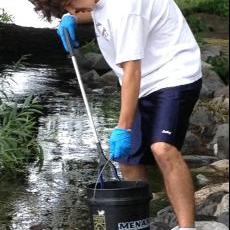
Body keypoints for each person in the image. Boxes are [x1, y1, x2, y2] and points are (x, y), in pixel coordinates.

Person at [30, 0, 202, 229]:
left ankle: (186, 226)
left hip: (173, 73)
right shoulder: (98, 2)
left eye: (71, 6)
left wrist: (123, 128)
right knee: (128, 158)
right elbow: (97, 12)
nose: (74, 12)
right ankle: (138, 224)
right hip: (139, 80)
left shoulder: (125, 7)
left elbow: (132, 70)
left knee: (163, 148)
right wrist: (69, 19)